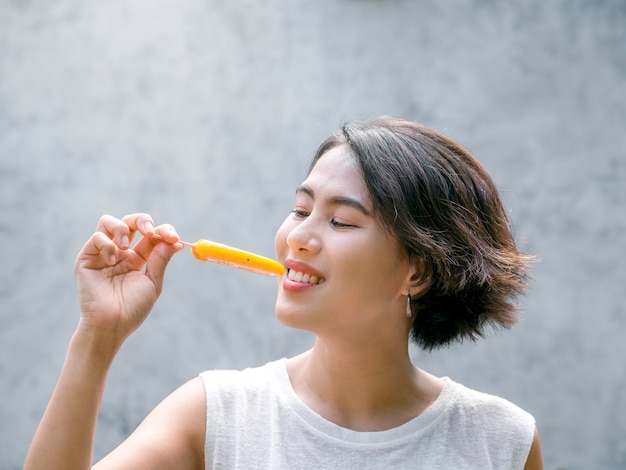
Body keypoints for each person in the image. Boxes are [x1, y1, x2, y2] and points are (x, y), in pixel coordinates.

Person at [24, 117, 543, 469]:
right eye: (300, 209)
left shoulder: (501, 441)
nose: (297, 235)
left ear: (418, 272)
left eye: (340, 220)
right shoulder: (216, 414)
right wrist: (98, 335)